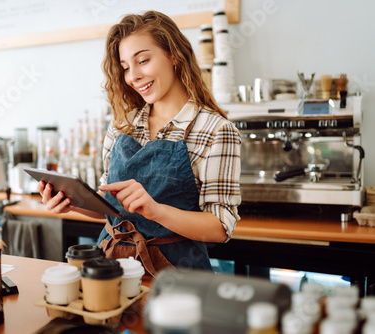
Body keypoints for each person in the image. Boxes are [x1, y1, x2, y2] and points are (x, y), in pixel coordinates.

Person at [38, 10, 241, 276]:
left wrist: (156, 211)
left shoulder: (216, 130)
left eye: (143, 60)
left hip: (176, 278)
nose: (133, 76)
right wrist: (74, 202)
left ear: (174, 56)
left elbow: (220, 227)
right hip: (112, 269)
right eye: (125, 68)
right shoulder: (122, 124)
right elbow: (110, 209)